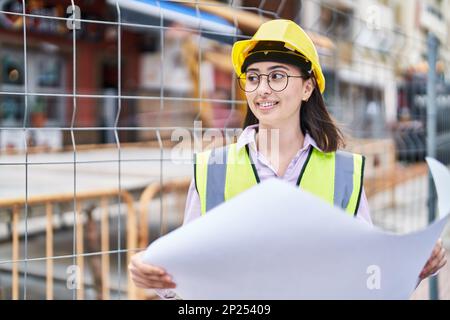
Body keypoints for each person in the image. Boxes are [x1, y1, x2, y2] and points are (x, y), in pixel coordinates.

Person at [129, 19, 446, 299]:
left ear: (308, 87)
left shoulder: (345, 171)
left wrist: (412, 268)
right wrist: (154, 274)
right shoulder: (213, 169)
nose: (262, 90)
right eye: (253, 78)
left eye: (277, 76)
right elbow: (185, 271)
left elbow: (367, 273)